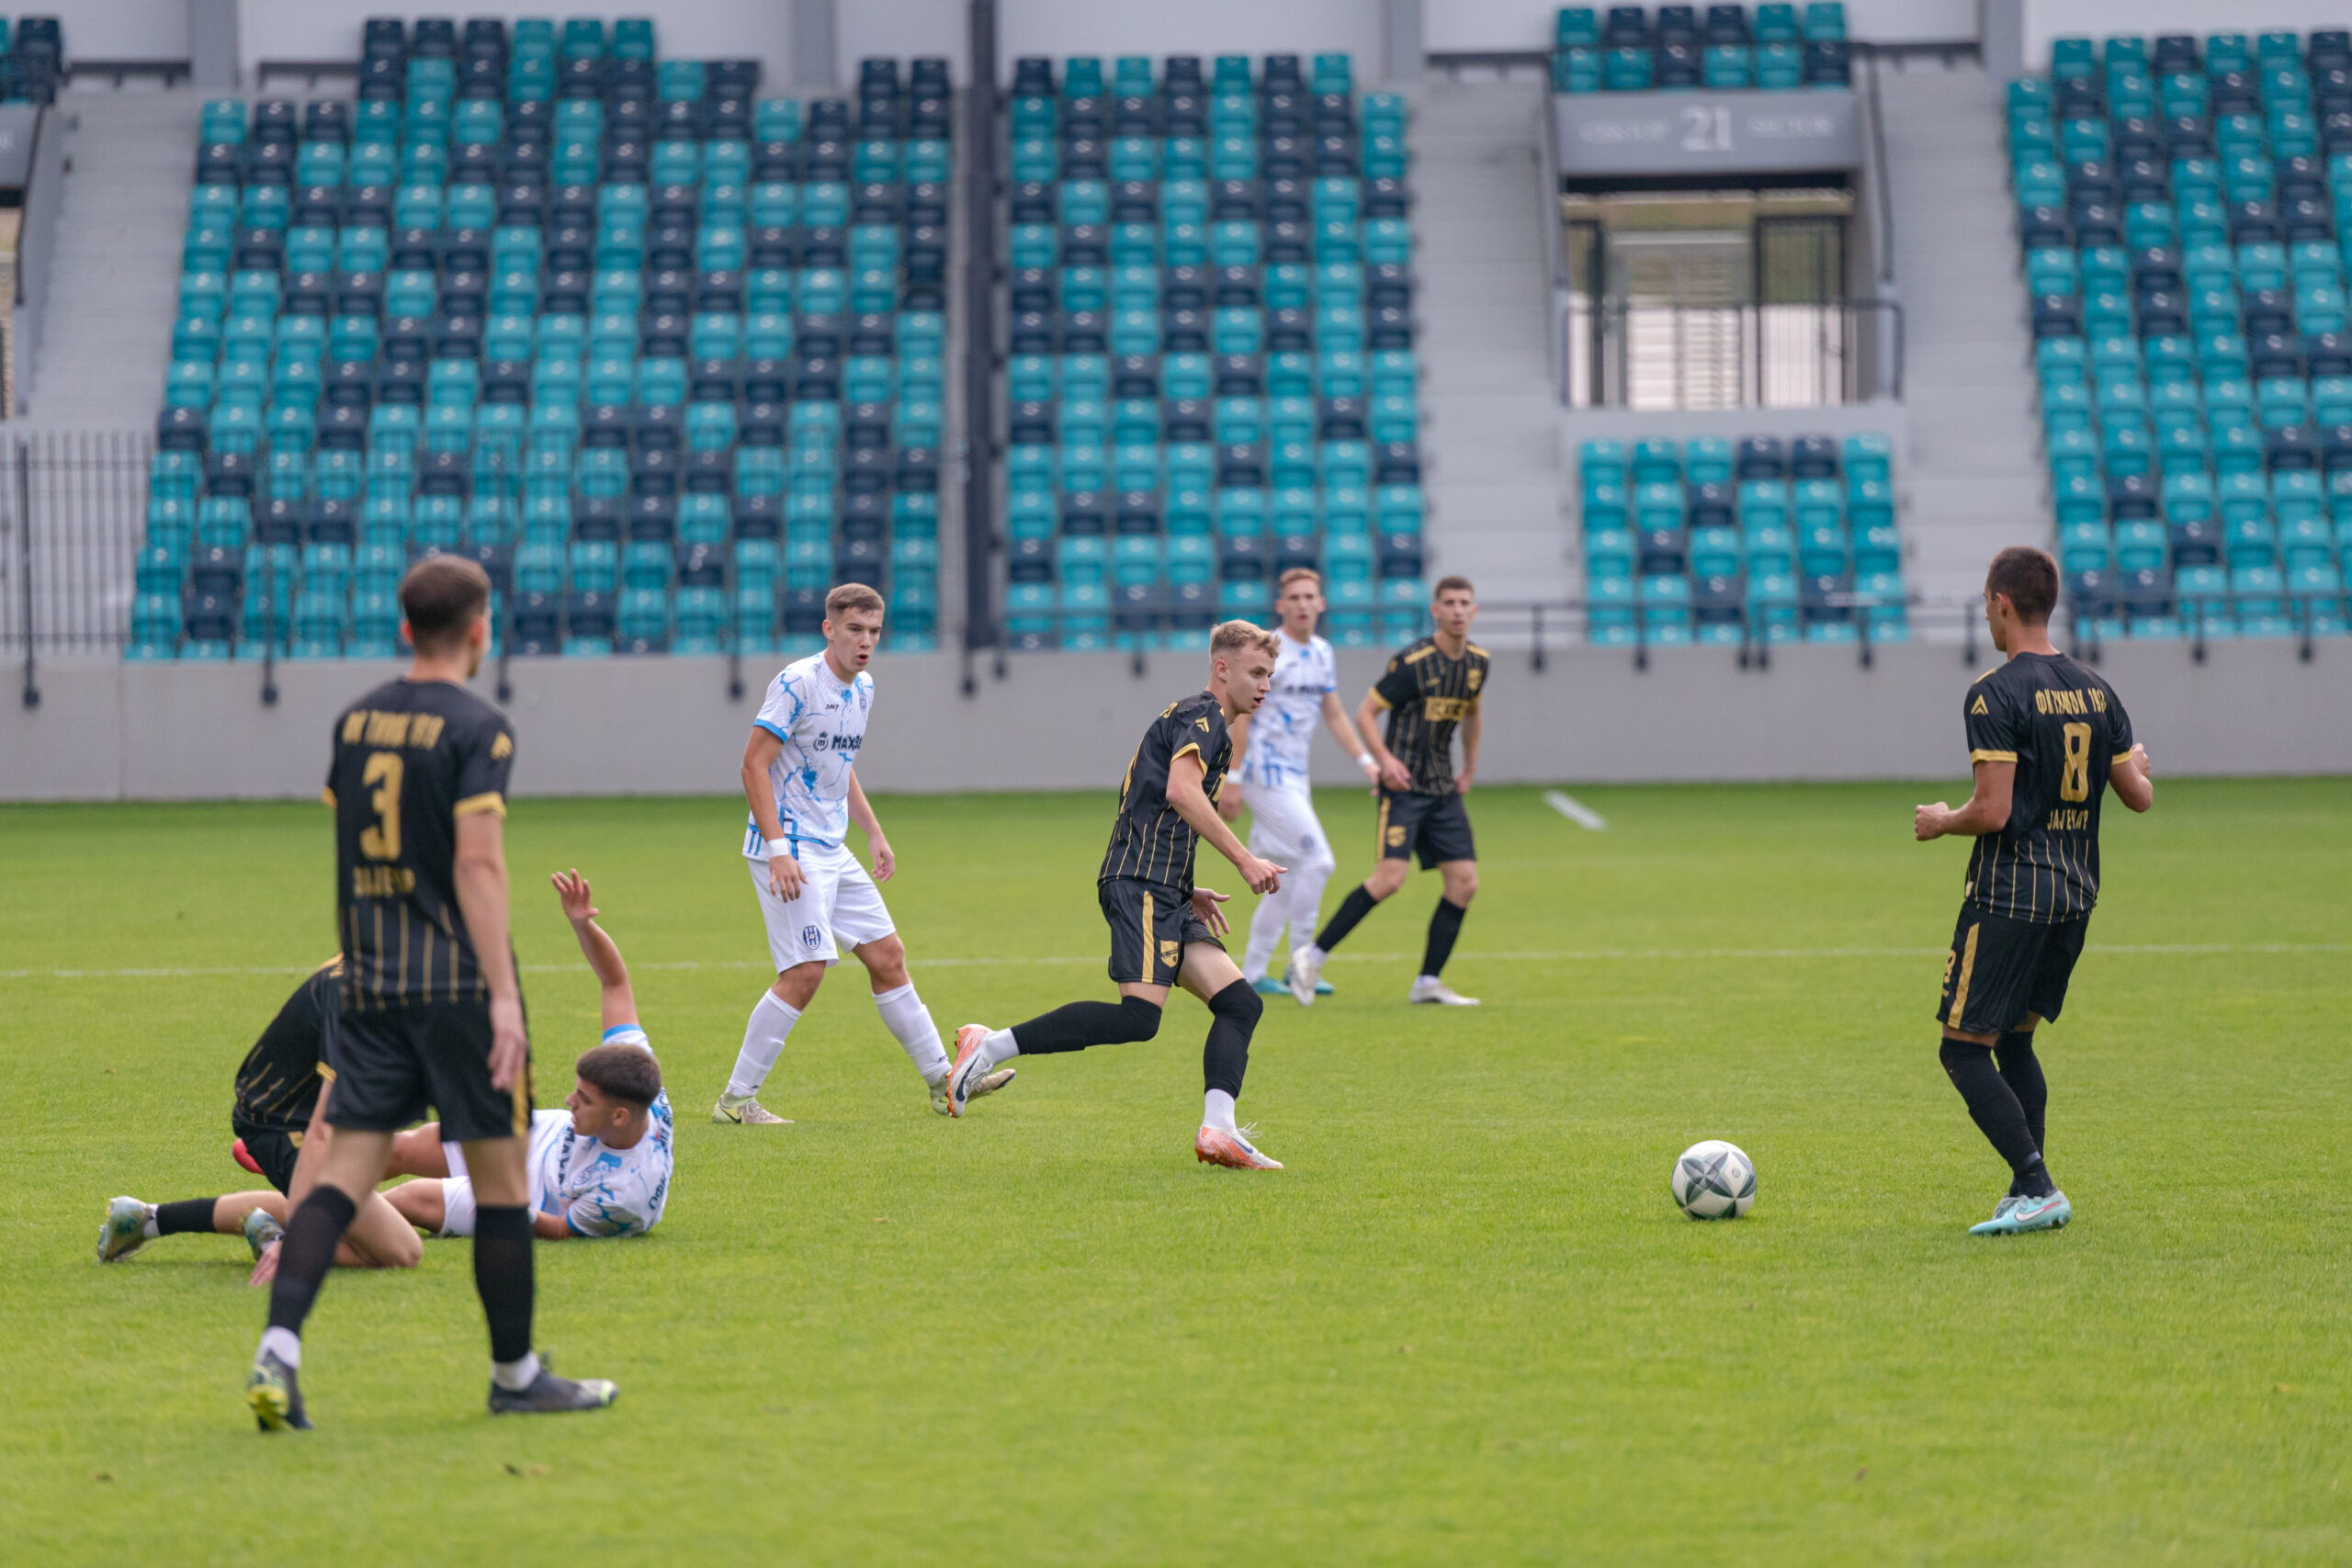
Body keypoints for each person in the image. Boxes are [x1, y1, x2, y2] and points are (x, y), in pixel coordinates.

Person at [245, 554, 616, 1433]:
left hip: (369, 979)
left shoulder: (355, 720)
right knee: (501, 1186)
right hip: (453, 985)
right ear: (480, 629)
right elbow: (478, 865)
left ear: (405, 626)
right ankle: (515, 1375)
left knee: (340, 1178)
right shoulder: (480, 728)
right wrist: (502, 998)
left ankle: (279, 1352)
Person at [942, 620, 1291, 1169]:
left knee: (1240, 1003)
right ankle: (987, 1046)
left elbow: (1158, 805)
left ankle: (1218, 1131)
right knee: (1138, 1019)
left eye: (1270, 674)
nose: (1265, 685)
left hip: (1164, 887)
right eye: (1256, 672)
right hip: (1141, 884)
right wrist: (1244, 859)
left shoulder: (1209, 725)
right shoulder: (1202, 716)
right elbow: (1181, 792)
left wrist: (1186, 886)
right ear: (1222, 669)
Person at [1914, 546, 2153, 1236]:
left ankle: (2039, 1185)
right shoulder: (2097, 689)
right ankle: (2027, 1189)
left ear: (2001, 603)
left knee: (1962, 1049)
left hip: (2011, 894)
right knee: (2015, 1044)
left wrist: (1942, 820)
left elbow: (1992, 811)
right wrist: (2139, 763)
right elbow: (2138, 795)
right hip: (2076, 893)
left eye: (1986, 604)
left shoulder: (1993, 692)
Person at [713, 581, 1012, 1125]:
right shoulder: (798, 683)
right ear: (829, 629)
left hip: (832, 845)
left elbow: (838, 766)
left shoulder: (864, 688)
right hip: (792, 847)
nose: (865, 641)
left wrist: (873, 830)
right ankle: (735, 1102)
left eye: (874, 630)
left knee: (888, 956)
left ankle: (944, 1082)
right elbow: (752, 765)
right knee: (805, 972)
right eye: (854, 629)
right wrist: (778, 851)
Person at [379, 870, 673, 1242]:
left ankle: (313, 1228)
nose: (569, 1100)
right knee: (398, 1150)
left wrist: (499, 1200)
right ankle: (313, 1198)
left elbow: (558, 1229)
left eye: (584, 1099)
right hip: (534, 1136)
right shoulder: (639, 1081)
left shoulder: (625, 1198)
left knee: (408, 1198)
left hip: (527, 1199)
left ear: (619, 1116)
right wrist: (582, 925)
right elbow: (615, 982)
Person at [94, 956, 422, 1273]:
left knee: (350, 1216)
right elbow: (322, 1131)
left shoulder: (372, 970)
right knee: (402, 1250)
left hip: (275, 1112)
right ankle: (276, 1244)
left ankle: (146, 1219)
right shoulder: (358, 999)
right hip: (287, 1127)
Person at [1287, 577, 1489, 1008]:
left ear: (1474, 611)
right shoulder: (1414, 662)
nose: (1457, 610)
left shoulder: (1477, 663)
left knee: (1464, 883)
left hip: (1443, 788)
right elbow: (1366, 712)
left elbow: (1472, 713)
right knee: (1389, 880)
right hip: (1404, 788)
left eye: (1464, 603)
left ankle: (1427, 982)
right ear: (1435, 611)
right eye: (1449, 603)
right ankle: (1311, 957)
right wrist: (1384, 761)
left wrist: (1469, 767)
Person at [1219, 568, 1382, 998]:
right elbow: (1243, 715)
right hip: (1264, 774)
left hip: (1295, 777)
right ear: (1281, 605)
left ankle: (1253, 973)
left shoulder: (1323, 652)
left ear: (1321, 603)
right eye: (1294, 597)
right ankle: (1302, 963)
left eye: (1310, 596)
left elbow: (1334, 713)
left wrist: (1366, 761)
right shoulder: (1268, 651)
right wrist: (1233, 777)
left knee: (1284, 878)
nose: (1303, 604)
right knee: (1319, 862)